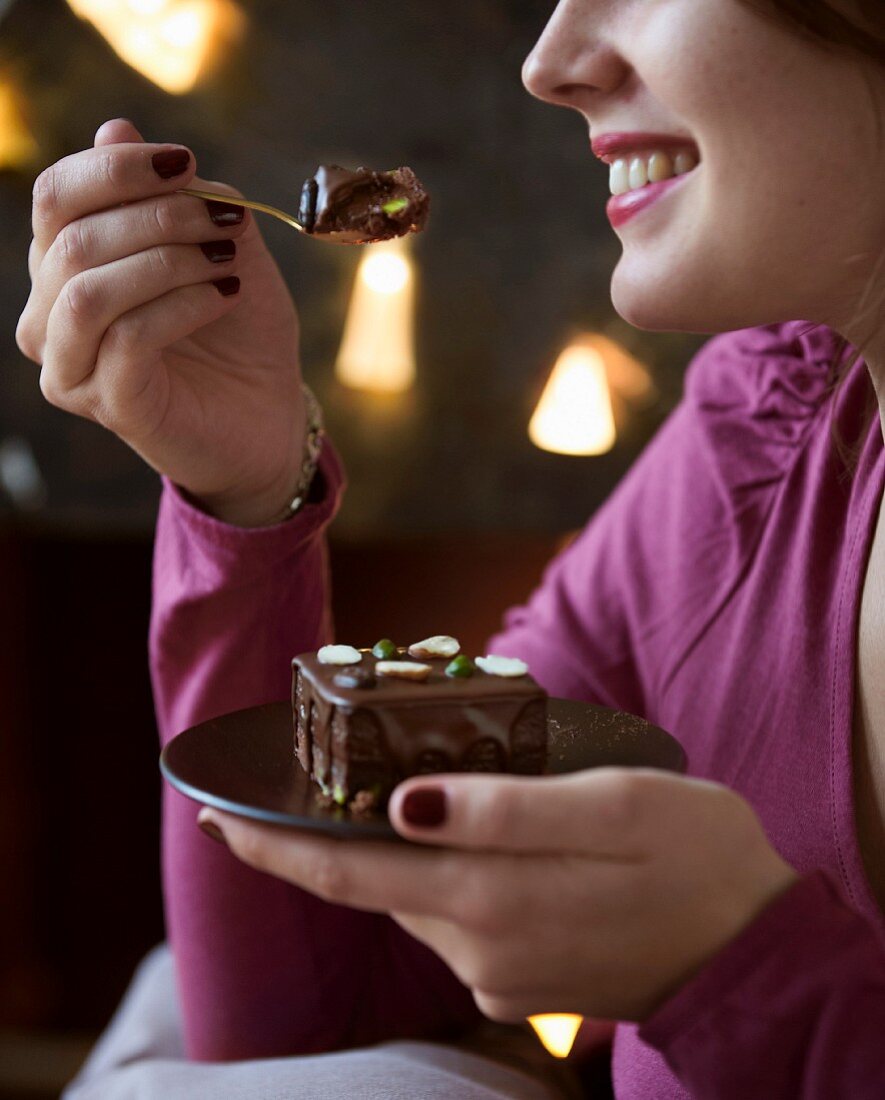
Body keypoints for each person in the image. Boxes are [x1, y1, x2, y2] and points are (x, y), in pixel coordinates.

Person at [15, 0, 885, 1095]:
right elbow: (313, 1018)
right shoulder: (762, 429)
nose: (549, 64)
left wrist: (743, 972)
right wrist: (245, 489)